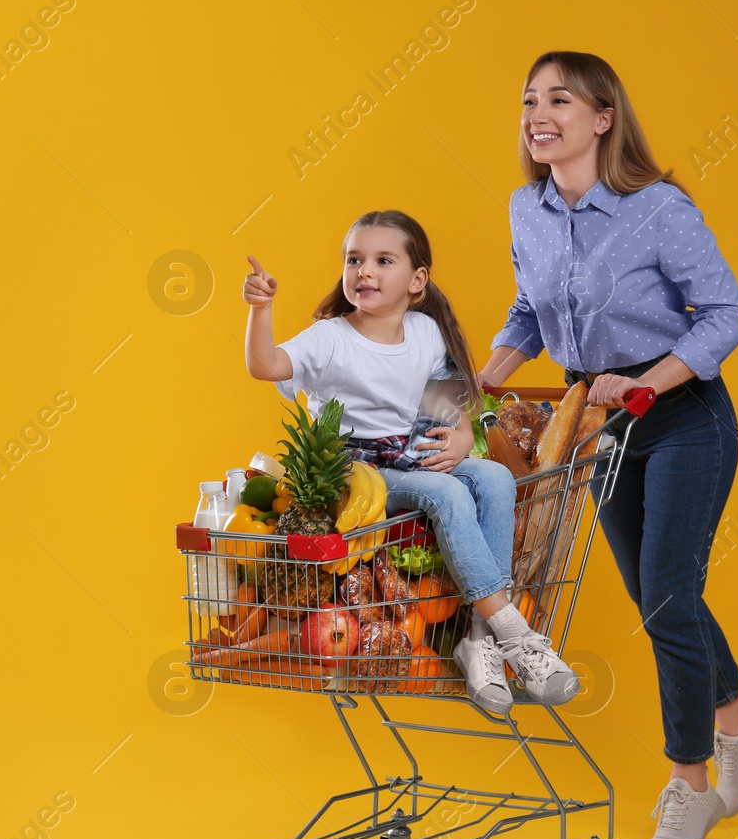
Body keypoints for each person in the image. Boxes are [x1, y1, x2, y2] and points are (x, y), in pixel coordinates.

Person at [478, 52, 738, 839]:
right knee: (660, 598)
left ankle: (688, 784)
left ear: (604, 116)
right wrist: (483, 378)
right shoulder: (526, 209)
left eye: (560, 99)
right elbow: (529, 307)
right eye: (529, 100)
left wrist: (648, 382)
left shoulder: (658, 208)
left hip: (683, 417)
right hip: (595, 427)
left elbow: (726, 313)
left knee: (664, 600)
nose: (539, 114)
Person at [242, 210, 579, 711]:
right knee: (443, 493)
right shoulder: (330, 337)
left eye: (383, 260)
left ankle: (480, 642)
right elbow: (264, 365)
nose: (364, 271)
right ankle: (515, 633)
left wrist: (463, 440)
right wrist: (261, 308)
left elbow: (448, 406)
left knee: (493, 477)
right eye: (354, 260)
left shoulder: (425, 332)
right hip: (357, 474)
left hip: (411, 453)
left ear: (416, 281)